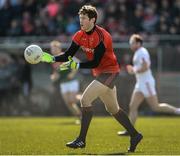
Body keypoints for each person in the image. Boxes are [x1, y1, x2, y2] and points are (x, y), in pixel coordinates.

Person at [41, 5, 143, 152]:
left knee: (84, 99)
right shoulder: (79, 35)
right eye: (80, 18)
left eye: (83, 18)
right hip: (101, 74)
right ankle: (135, 135)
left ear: (93, 20)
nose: (80, 21)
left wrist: (75, 66)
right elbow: (68, 54)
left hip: (110, 72)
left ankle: (81, 140)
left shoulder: (103, 36)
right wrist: (51, 58)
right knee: (113, 109)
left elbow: (95, 62)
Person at [118, 34, 180, 136]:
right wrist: (134, 70)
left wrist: (134, 70)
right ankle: (130, 130)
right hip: (141, 83)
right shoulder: (138, 52)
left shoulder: (142, 52)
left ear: (138, 43)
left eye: (132, 43)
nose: (131, 45)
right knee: (132, 106)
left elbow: (146, 67)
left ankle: (177, 111)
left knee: (155, 107)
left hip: (146, 83)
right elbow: (140, 67)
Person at [50, 40, 81, 123]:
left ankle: (85, 98)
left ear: (59, 48)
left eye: (55, 48)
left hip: (72, 81)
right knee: (69, 103)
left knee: (72, 100)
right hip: (63, 83)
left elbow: (77, 62)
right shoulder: (53, 60)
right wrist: (53, 76)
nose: (54, 50)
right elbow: (57, 72)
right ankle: (79, 117)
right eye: (52, 48)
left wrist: (72, 73)